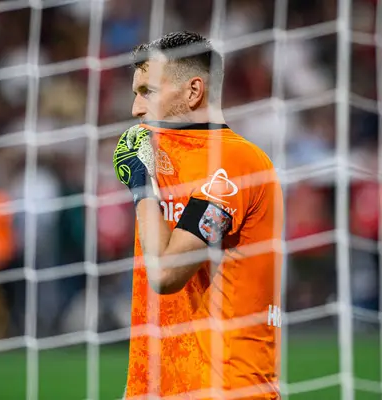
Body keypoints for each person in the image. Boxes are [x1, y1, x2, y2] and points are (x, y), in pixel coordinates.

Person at [112, 31, 284, 399]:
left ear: (193, 92)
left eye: (148, 92)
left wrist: (142, 189)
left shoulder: (234, 163)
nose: (135, 110)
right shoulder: (161, 157)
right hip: (159, 385)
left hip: (226, 388)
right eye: (135, 93)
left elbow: (166, 274)